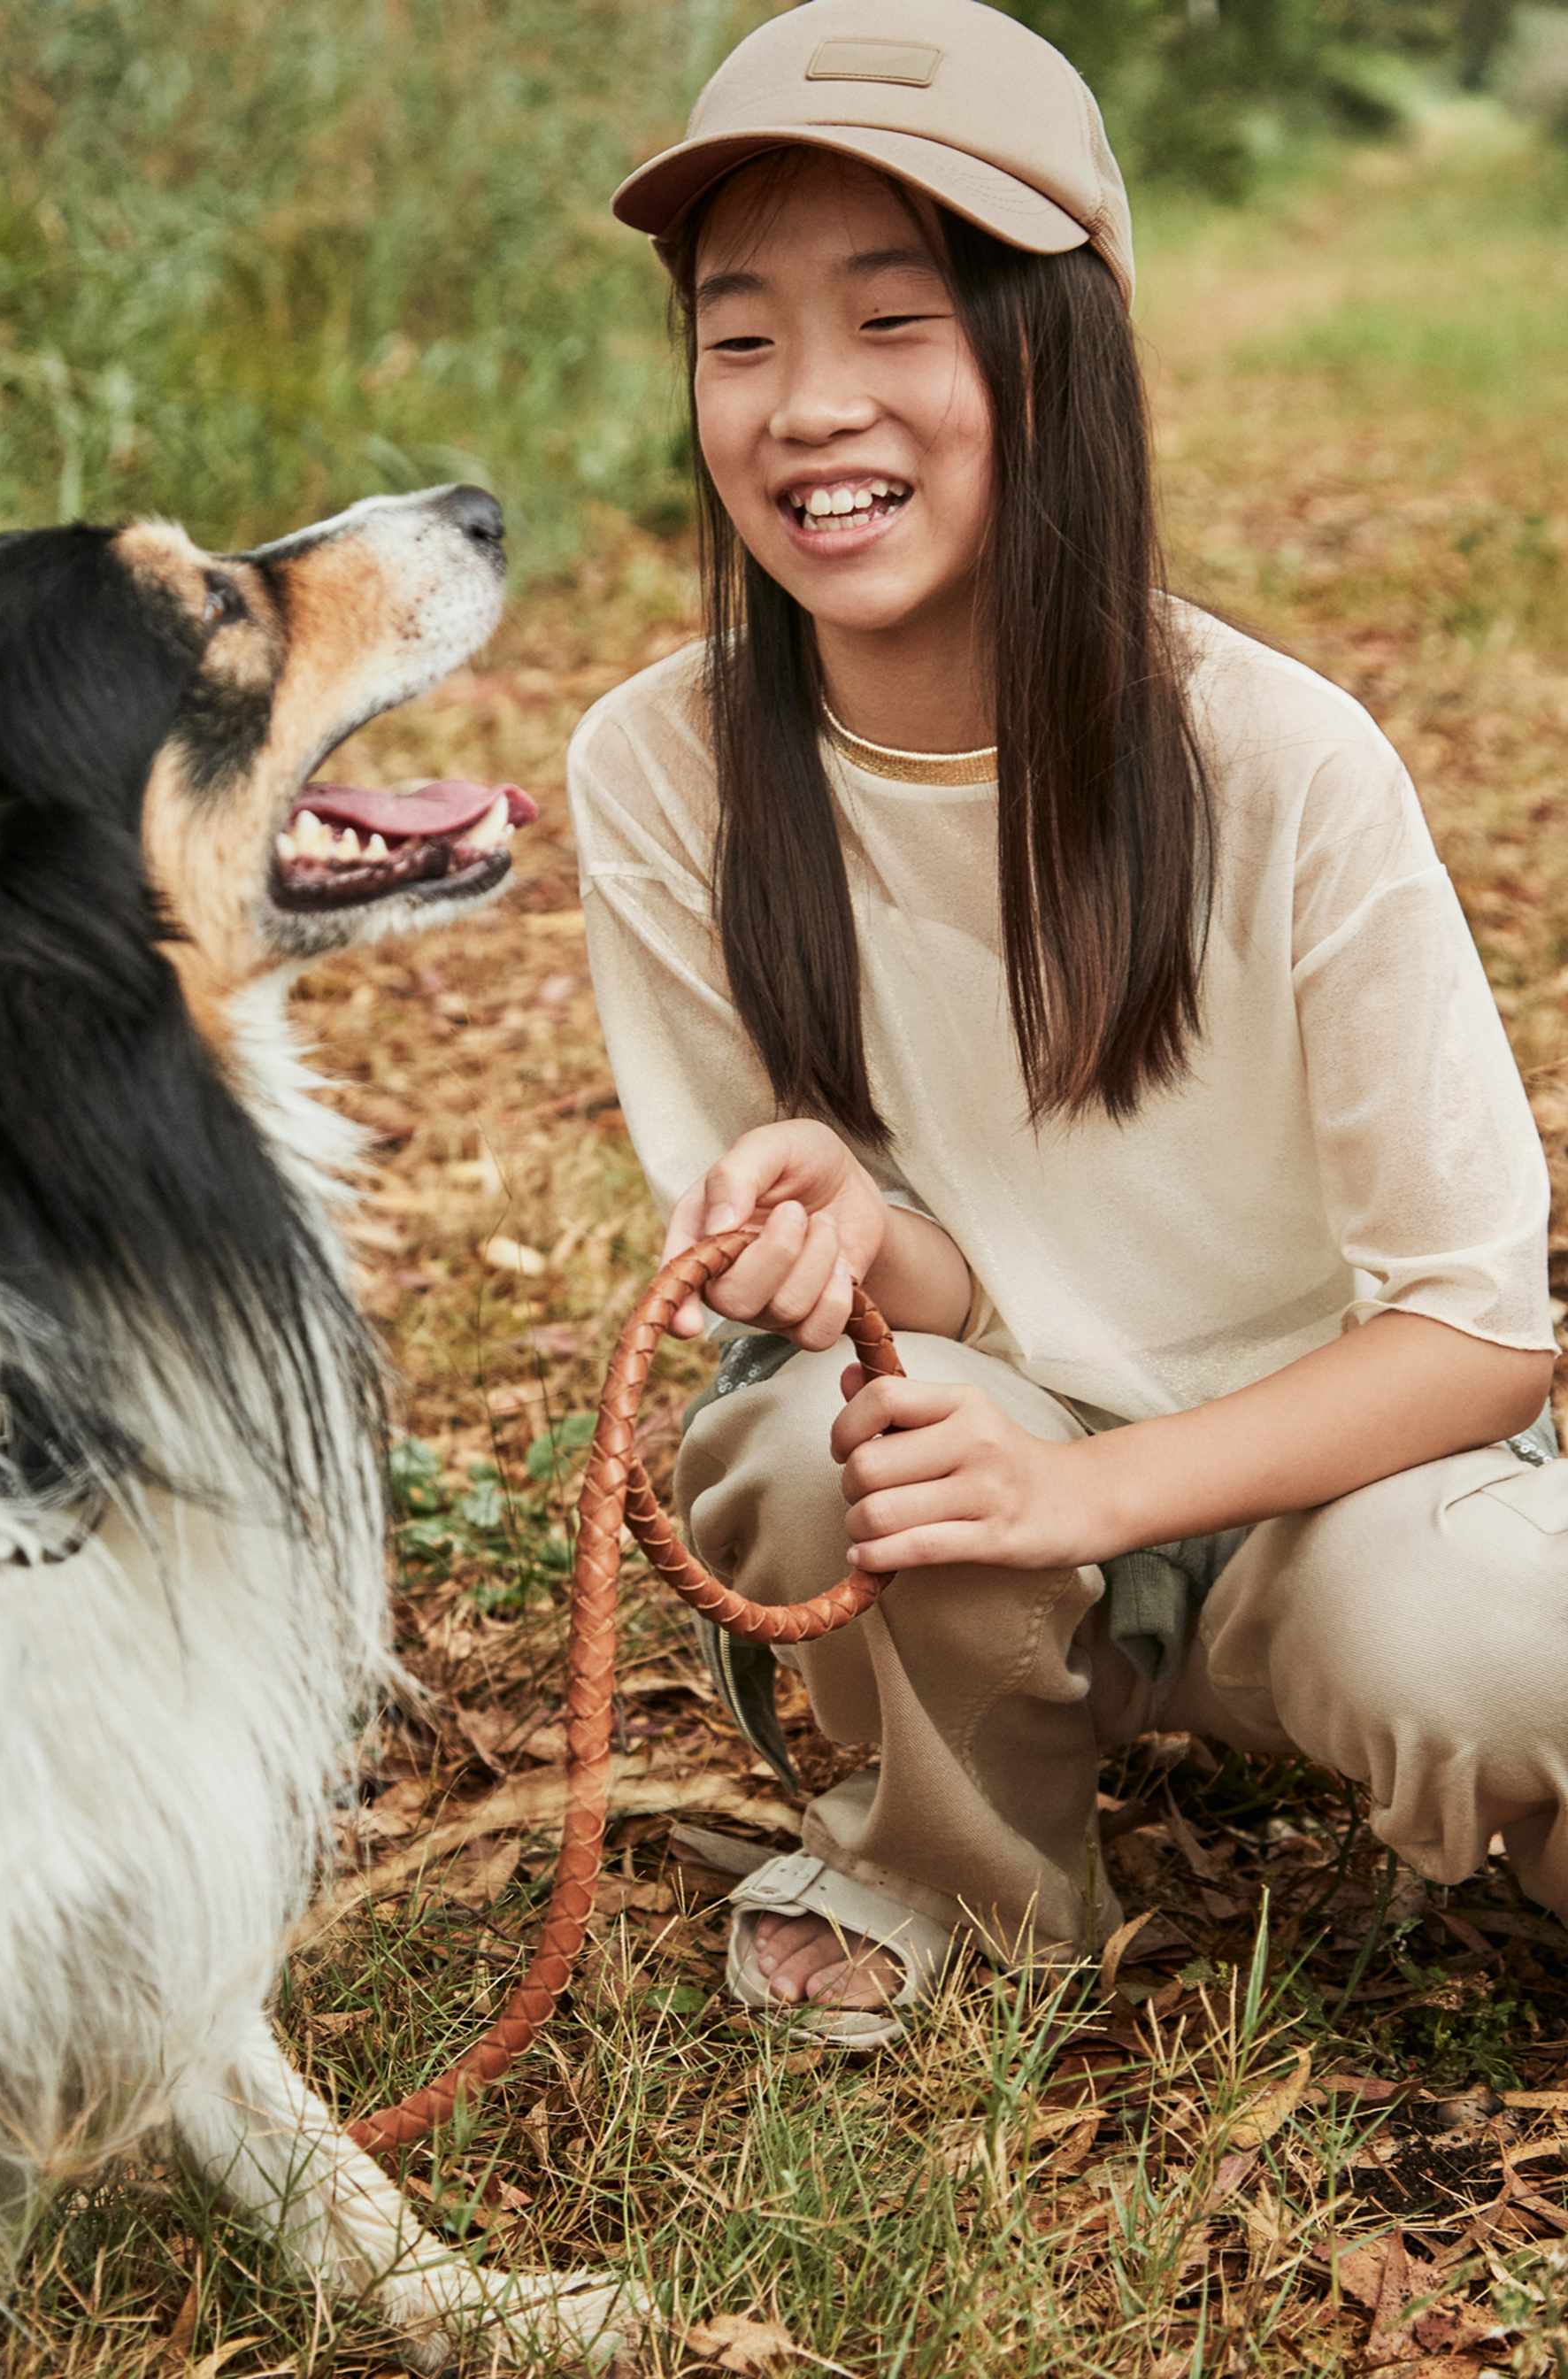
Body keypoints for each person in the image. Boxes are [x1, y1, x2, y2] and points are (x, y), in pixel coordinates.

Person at [566, 0, 1565, 2044]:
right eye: (739, 339)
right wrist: (831, 1233)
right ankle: (961, 1871)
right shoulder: (661, 767)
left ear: (1060, 344)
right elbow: (918, 1286)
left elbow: (1479, 1325)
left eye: (895, 320)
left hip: (1337, 1485)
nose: (805, 408)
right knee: (805, 1440)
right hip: (990, 1454)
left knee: (1484, 1652)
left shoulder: (1283, 762)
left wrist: (1108, 1499)